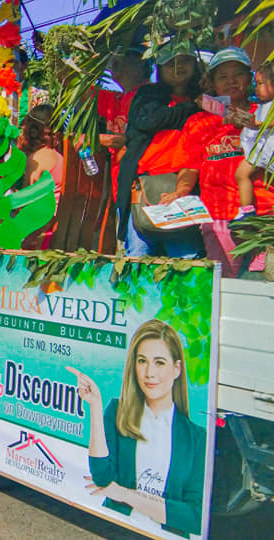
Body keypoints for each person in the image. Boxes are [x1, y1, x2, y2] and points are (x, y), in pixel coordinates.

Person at [68, 320, 205, 537]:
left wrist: (124, 493)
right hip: (117, 529)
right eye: (142, 361)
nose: (149, 372)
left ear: (176, 368)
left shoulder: (196, 438)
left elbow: (195, 518)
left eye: (159, 362)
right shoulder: (117, 411)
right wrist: (95, 405)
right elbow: (102, 477)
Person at [173, 47, 256, 276]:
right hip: (219, 216)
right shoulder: (198, 122)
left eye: (238, 74)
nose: (231, 81)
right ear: (212, 84)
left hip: (266, 216)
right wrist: (180, 192)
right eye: (222, 76)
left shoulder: (265, 115)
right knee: (226, 288)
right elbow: (190, 166)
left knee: (265, 285)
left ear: (250, 78)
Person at [118, 42, 205, 257]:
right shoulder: (149, 94)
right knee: (138, 254)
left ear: (195, 65)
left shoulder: (206, 97)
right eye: (170, 63)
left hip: (186, 185)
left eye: (184, 61)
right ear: (160, 68)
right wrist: (193, 106)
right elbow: (150, 120)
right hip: (145, 186)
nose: (178, 67)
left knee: (185, 256)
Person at [97, 47, 153, 193]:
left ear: (141, 64)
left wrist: (94, 139)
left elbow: (132, 140)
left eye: (127, 56)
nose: (116, 62)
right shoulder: (116, 98)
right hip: (122, 184)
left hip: (143, 184)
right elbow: (75, 86)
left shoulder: (152, 96)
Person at [18, 104, 65, 249]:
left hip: (40, 235)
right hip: (57, 230)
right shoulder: (59, 158)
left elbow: (23, 204)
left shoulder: (38, 159)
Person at [236, 60, 274, 216]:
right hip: (262, 150)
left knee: (242, 174)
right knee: (241, 173)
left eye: (260, 84)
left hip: (268, 150)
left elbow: (266, 123)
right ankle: (247, 209)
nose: (256, 89)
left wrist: (262, 124)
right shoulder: (262, 106)